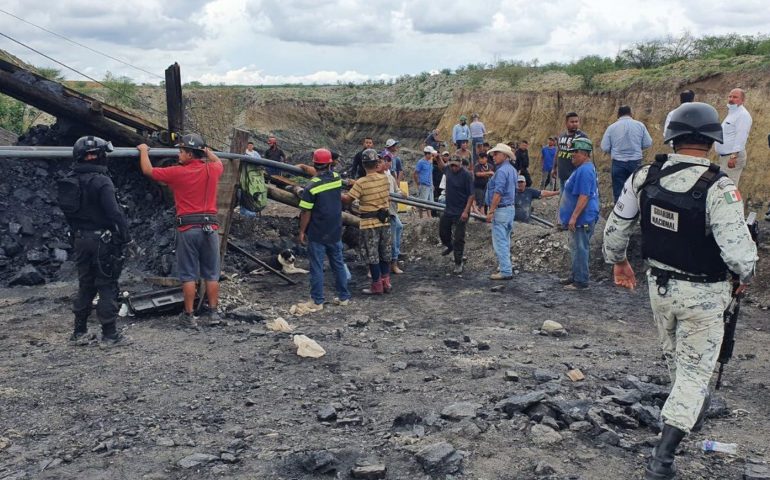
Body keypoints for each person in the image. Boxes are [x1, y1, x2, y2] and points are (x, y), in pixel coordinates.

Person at [602, 102, 757, 480]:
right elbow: (741, 257)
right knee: (694, 372)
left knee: (676, 358)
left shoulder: (644, 177)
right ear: (711, 141)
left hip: (659, 287)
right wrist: (744, 276)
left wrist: (618, 261)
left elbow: (616, 228)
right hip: (704, 293)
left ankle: (688, 412)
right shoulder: (719, 187)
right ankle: (663, 458)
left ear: (672, 136)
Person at [138, 134, 224, 329]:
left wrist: (143, 150)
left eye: (182, 151)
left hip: (188, 228)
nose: (179, 154)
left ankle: (189, 315)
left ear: (190, 154)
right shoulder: (213, 169)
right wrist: (207, 152)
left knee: (188, 274)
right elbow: (218, 161)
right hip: (210, 228)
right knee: (212, 274)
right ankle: (213, 314)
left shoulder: (177, 172)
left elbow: (148, 170)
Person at [61, 136, 131, 346]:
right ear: (94, 156)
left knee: (85, 285)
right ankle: (109, 335)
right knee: (107, 284)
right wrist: (126, 237)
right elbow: (115, 213)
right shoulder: (102, 181)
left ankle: (79, 332)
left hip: (80, 239)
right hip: (102, 241)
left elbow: (68, 214)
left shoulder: (70, 180)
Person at [295, 148, 350, 313]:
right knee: (338, 263)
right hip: (335, 229)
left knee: (317, 266)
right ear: (329, 163)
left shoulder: (310, 187)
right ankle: (343, 297)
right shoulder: (336, 178)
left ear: (314, 163)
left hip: (318, 231)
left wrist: (302, 231)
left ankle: (317, 301)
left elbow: (306, 212)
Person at [343, 149, 392, 295]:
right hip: (385, 221)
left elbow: (348, 200)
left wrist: (337, 194)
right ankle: (386, 283)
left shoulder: (361, 183)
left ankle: (376, 286)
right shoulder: (384, 179)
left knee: (372, 256)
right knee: (384, 253)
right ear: (377, 163)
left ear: (363, 165)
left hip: (369, 223)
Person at [558, 137, 600, 290]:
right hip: (580, 218)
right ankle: (576, 276)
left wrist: (574, 217)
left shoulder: (585, 170)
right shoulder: (584, 169)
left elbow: (584, 196)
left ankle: (581, 281)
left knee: (581, 248)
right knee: (576, 247)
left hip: (582, 218)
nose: (571, 156)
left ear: (583, 153)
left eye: (574, 152)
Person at [601, 105, 653, 202]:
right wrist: (637, 147)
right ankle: (635, 213)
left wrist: (614, 151)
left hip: (618, 163)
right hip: (635, 163)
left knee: (619, 192)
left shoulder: (611, 128)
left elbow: (605, 147)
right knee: (635, 189)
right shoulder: (640, 125)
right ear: (631, 113)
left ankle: (619, 212)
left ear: (618, 115)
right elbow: (648, 143)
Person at [485, 143, 518, 280]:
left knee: (500, 242)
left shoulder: (502, 171)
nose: (493, 156)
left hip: (501, 210)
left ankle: (505, 270)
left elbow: (498, 193)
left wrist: (491, 211)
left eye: (496, 154)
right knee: (505, 240)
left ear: (504, 155)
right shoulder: (512, 170)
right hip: (509, 208)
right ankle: (506, 266)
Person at [439, 157, 474, 274]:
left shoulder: (467, 175)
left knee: (459, 237)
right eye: (452, 165)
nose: (454, 168)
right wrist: (438, 157)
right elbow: (441, 167)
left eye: (456, 165)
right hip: (449, 209)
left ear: (460, 164)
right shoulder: (448, 169)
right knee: (443, 232)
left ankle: (458, 262)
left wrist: (466, 211)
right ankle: (449, 246)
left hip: (461, 211)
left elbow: (471, 195)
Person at [715, 88, 752, 186]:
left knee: (728, 187)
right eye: (730, 96)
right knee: (722, 187)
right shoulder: (732, 113)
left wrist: (733, 156)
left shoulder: (743, 115)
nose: (731, 99)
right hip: (725, 157)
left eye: (735, 97)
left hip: (732, 158)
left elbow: (741, 137)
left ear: (742, 100)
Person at [380, 155, 405, 274]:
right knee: (392, 238)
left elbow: (396, 189)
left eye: (387, 161)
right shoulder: (378, 177)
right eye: (384, 161)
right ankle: (393, 263)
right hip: (385, 211)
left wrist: (402, 193)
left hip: (392, 210)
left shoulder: (390, 177)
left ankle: (394, 260)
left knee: (399, 227)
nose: (386, 164)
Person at [551, 112, 587, 191]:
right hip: (562, 174)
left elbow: (585, 157)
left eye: (576, 122)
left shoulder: (582, 137)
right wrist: (554, 168)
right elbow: (558, 152)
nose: (575, 124)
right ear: (566, 123)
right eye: (572, 122)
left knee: (572, 200)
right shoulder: (561, 136)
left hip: (575, 176)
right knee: (563, 198)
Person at [414, 146, 437, 218]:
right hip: (423, 184)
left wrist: (432, 184)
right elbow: (415, 173)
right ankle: (421, 217)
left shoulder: (430, 162)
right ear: (427, 154)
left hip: (429, 184)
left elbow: (430, 174)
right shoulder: (421, 162)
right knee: (422, 202)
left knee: (430, 202)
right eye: (431, 154)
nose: (432, 156)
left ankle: (429, 217)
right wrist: (417, 183)